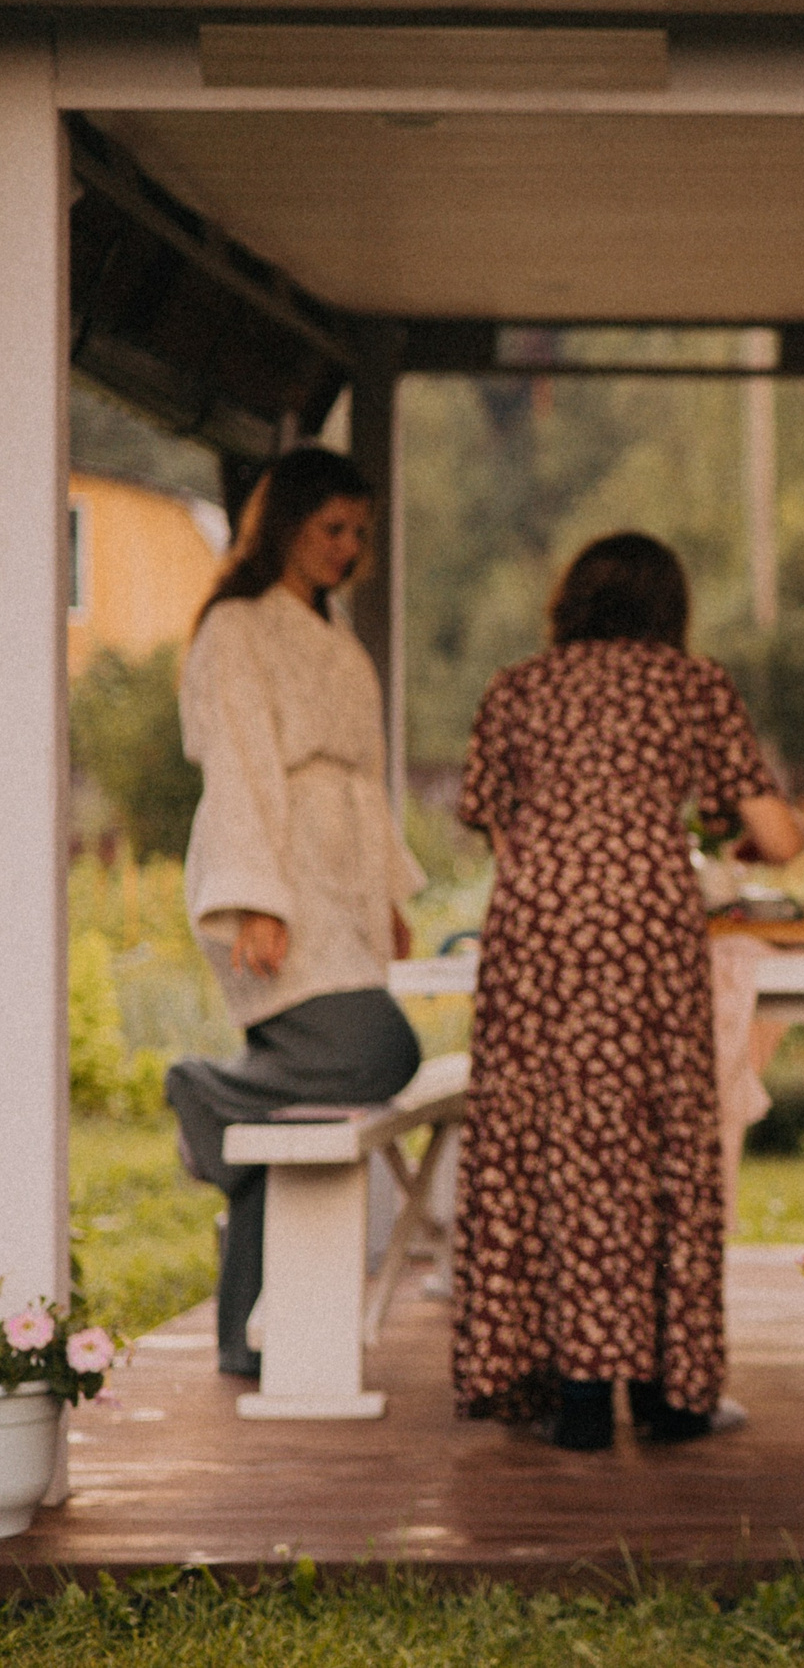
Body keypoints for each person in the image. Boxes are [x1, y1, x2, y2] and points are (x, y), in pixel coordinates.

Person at [452, 532, 804, 1450]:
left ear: (569, 602)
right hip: (648, 925)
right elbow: (780, 838)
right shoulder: (692, 685)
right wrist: (723, 818)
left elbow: (493, 820)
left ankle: (565, 1392)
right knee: (659, 1139)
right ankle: (667, 1395)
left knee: (552, 1140)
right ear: (669, 607)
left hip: (536, 930)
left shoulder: (517, 686)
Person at [166, 446, 426, 1380]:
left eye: (359, 532)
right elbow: (236, 767)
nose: (348, 548)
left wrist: (388, 892)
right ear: (284, 524)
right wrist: (254, 903)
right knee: (383, 1050)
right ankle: (205, 1087)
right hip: (270, 881)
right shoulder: (238, 629)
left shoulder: (335, 634)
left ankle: (241, 1334)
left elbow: (364, 780)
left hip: (338, 887)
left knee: (295, 1117)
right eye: (331, 528)